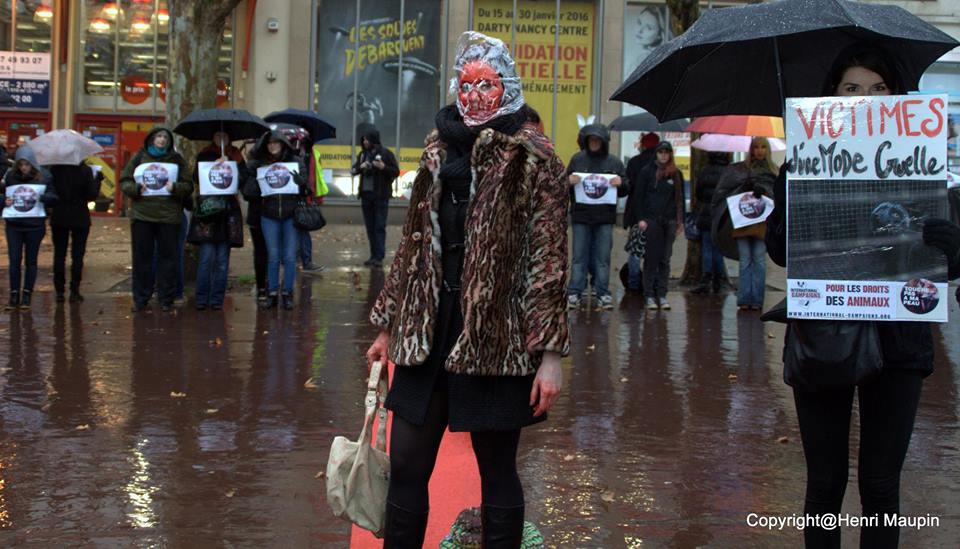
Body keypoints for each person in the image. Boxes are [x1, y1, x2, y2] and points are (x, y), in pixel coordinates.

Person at [365, 31, 568, 547]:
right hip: (425, 330)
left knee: (496, 468)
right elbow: (412, 245)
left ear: (508, 86)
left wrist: (549, 355)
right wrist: (389, 324)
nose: (476, 94)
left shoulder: (533, 158)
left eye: (488, 83)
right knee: (407, 463)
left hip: (496, 337)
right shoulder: (436, 151)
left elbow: (548, 262)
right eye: (467, 82)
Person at [766, 44, 960, 548]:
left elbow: (947, 266)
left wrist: (951, 245)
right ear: (833, 95)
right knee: (825, 483)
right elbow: (781, 251)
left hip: (900, 339)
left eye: (879, 88)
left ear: (897, 96)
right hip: (823, 334)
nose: (866, 98)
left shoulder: (926, 163)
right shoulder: (804, 160)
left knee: (880, 485)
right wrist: (794, 204)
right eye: (852, 88)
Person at [120, 127, 193, 312]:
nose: (161, 140)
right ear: (151, 139)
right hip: (142, 216)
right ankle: (141, 298)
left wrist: (175, 188)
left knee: (167, 259)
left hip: (169, 217)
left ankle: (165, 298)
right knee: (141, 258)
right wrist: (136, 189)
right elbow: (124, 181)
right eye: (158, 136)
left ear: (169, 141)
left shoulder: (177, 160)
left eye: (165, 137)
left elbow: (188, 186)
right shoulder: (139, 158)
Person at [242, 130, 310, 310]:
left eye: (276, 143)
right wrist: (254, 175)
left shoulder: (295, 162)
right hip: (268, 215)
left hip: (290, 215)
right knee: (272, 256)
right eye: (269, 143)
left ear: (282, 144)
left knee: (288, 257)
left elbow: (306, 189)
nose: (272, 146)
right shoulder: (260, 164)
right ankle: (272, 293)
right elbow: (248, 190)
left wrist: (300, 181)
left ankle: (287, 292)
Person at [566, 123, 628, 309]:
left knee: (602, 258)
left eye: (597, 140)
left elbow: (626, 188)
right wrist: (568, 181)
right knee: (579, 257)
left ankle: (602, 292)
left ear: (603, 142)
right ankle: (575, 292)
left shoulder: (614, 162)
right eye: (591, 140)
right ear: (586, 141)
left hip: (605, 218)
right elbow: (562, 185)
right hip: (581, 217)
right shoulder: (577, 160)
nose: (594, 143)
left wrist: (621, 183)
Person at [719, 137, 778, 310]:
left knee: (759, 260)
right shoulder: (740, 170)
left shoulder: (773, 170)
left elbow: (777, 195)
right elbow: (728, 191)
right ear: (751, 150)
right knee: (745, 260)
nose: (759, 151)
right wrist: (745, 187)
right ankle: (744, 299)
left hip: (763, 224)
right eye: (756, 147)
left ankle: (757, 300)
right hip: (743, 222)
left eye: (763, 147)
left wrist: (764, 191)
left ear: (767, 150)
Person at [189, 131, 244, 311]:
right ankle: (201, 298)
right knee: (206, 258)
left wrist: (229, 164)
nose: (222, 139)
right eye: (218, 135)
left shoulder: (236, 155)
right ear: (212, 137)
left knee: (222, 259)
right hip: (209, 211)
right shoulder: (204, 154)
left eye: (225, 136)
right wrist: (213, 166)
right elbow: (196, 177)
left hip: (228, 212)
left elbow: (243, 180)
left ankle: (217, 299)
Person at [627, 141, 684, 310]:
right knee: (651, 259)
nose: (664, 155)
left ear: (670, 154)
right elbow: (638, 197)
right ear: (656, 153)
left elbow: (680, 199)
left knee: (665, 259)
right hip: (651, 221)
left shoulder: (676, 174)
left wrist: (681, 221)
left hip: (670, 221)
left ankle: (662, 294)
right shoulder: (647, 172)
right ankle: (649, 295)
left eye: (667, 152)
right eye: (661, 152)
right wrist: (641, 218)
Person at [2, 145, 56, 310]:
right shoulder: (9, 177)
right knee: (14, 260)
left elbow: (54, 197)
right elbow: (2, 195)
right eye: (21, 164)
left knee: (31, 261)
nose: (24, 168)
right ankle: (13, 295)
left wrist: (44, 197)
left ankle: (26, 296)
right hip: (14, 225)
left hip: (35, 225)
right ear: (17, 164)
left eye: (26, 164)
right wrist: (3, 201)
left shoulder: (44, 177)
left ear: (32, 163)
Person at [48, 161, 101, 303]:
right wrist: (98, 180)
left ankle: (59, 292)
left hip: (59, 216)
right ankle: (74, 291)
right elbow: (91, 195)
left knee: (59, 255)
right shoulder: (85, 170)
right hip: (80, 217)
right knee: (78, 256)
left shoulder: (55, 169)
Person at [351, 126, 399, 268]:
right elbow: (353, 170)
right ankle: (373, 255)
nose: (364, 141)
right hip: (366, 195)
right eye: (363, 139)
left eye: (366, 139)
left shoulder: (386, 153)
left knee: (379, 226)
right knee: (370, 226)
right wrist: (361, 167)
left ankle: (379, 256)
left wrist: (383, 167)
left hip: (380, 195)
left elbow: (395, 171)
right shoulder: (362, 154)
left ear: (373, 139)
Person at [623, 132, 661, 292]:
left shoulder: (634, 162)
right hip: (654, 214)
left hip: (635, 213)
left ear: (643, 145)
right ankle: (651, 284)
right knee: (654, 251)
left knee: (635, 250)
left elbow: (628, 187)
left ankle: (633, 283)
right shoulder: (660, 165)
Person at [690, 152, 731, 295]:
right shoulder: (728, 172)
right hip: (722, 214)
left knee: (707, 247)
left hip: (706, 213)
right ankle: (718, 280)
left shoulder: (705, 171)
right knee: (718, 248)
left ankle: (706, 278)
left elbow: (699, 192)